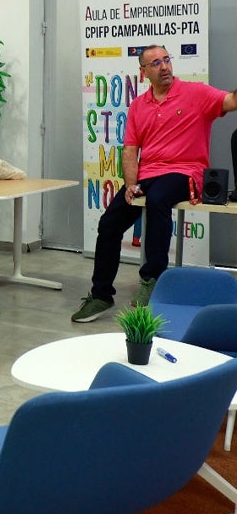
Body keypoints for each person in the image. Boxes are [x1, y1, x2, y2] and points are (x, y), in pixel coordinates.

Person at [72, 45, 237, 322]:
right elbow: (130, 150)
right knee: (109, 222)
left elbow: (231, 101)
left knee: (159, 199)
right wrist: (130, 184)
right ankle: (101, 295)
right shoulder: (139, 105)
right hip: (148, 174)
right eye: (156, 63)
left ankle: (153, 279)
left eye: (167, 60)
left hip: (186, 172)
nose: (164, 67)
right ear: (144, 71)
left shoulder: (196, 93)